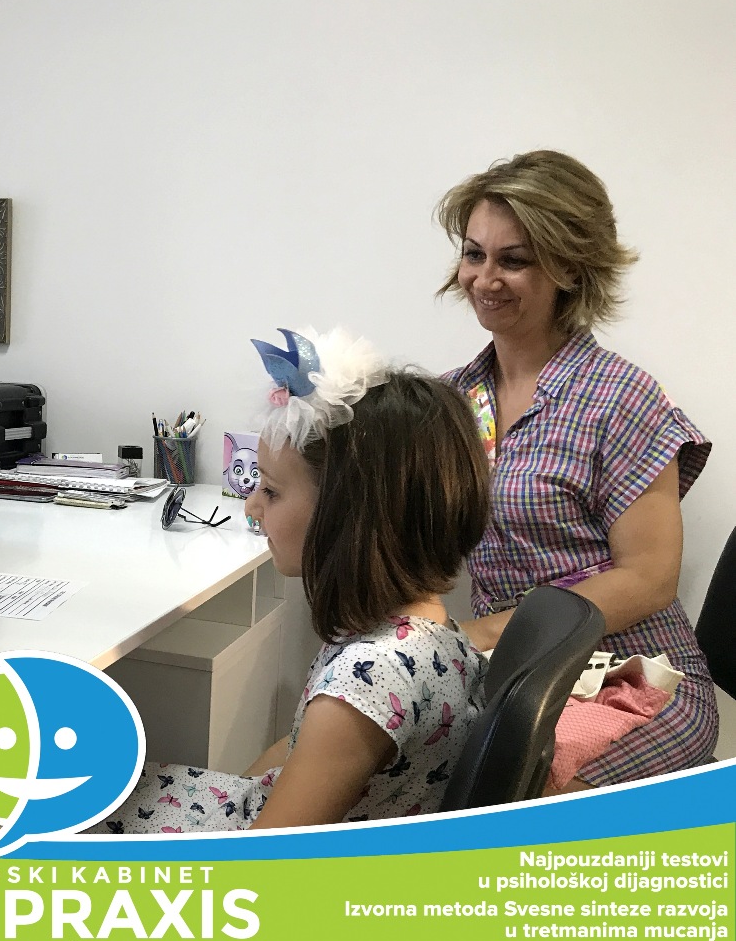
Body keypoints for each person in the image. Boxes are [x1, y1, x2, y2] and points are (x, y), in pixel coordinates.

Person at [94, 329, 491, 832]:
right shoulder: (436, 634)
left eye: (272, 491)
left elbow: (263, 863)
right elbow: (290, 757)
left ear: (350, 515)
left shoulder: (363, 687)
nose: (251, 505)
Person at [436, 149, 714, 790]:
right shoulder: (453, 402)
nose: (484, 279)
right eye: (475, 254)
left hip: (632, 678)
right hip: (511, 676)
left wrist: (489, 632)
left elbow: (649, 578)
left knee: (508, 796)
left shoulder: (622, 397)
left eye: (514, 260)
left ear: (568, 266)